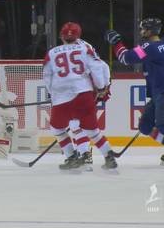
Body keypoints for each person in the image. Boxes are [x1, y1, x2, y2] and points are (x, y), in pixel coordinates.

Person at [105, 18, 164, 166]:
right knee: (145, 126)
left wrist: (116, 43)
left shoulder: (147, 47)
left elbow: (126, 58)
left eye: (143, 29)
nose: (141, 32)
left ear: (149, 31)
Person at [43, 22, 117, 170]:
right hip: (84, 93)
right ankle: (109, 156)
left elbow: (47, 75)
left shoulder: (52, 52)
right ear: (78, 35)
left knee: (57, 129)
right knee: (92, 130)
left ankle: (72, 157)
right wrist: (102, 86)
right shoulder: (85, 48)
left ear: (61, 36)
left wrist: (52, 93)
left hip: (62, 97)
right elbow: (97, 67)